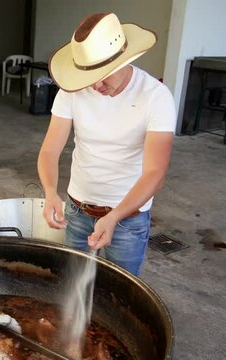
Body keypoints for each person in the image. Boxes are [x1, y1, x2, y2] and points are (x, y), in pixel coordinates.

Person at [37, 13, 177, 276]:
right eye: (90, 76)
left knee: (120, 297)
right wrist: (50, 192)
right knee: (71, 286)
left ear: (126, 59)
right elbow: (49, 150)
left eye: (105, 75)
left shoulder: (155, 98)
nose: (96, 85)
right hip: (77, 210)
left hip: (128, 219)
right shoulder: (73, 91)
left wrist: (113, 217)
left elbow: (155, 173)